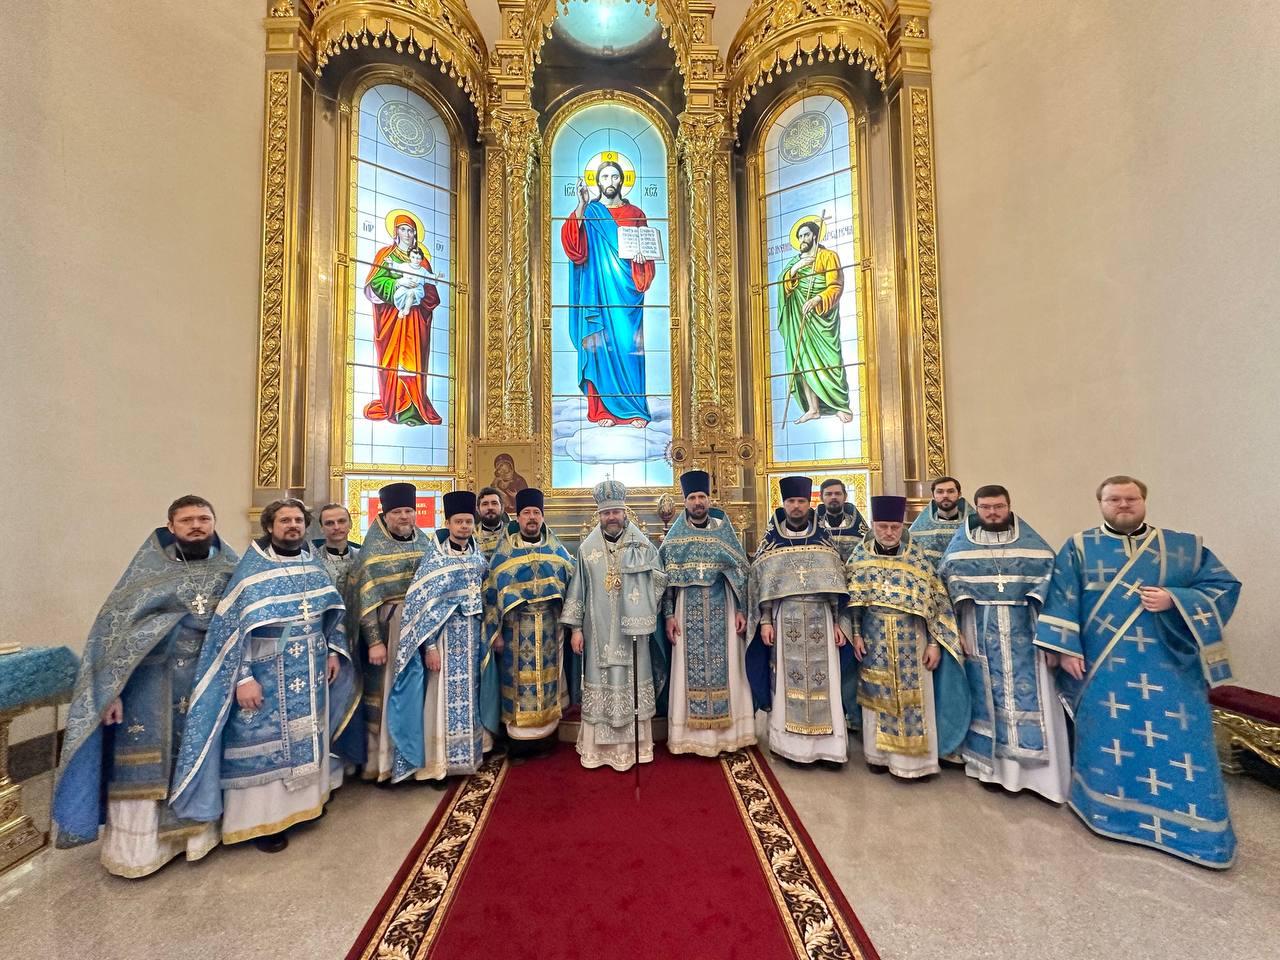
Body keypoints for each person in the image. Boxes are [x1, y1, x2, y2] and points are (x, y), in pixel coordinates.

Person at [1035, 476, 1241, 867]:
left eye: (1131, 498)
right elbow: (1062, 598)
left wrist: (1175, 599)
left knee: (1184, 740)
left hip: (1171, 665)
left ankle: (1196, 831)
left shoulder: (1182, 547)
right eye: (1114, 499)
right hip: (1103, 665)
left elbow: (1222, 585)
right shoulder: (1079, 547)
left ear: (1144, 501)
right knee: (1109, 736)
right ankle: (1107, 812)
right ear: (1101, 504)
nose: (1123, 505)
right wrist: (1066, 650)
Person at [52, 496, 239, 877]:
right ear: (170, 527)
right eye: (187, 520)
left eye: (204, 518)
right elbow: (112, 635)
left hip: (208, 681)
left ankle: (198, 839)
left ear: (214, 522)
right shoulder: (146, 573)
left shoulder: (231, 568)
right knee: (145, 765)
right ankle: (140, 853)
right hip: (150, 687)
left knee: (202, 755)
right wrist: (111, 692)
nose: (196, 525)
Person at [171, 499, 354, 853]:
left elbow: (331, 612)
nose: (293, 526)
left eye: (298, 520)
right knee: (264, 742)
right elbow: (232, 632)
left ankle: (306, 806)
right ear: (269, 526)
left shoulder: (312, 564)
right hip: (265, 671)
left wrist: (333, 651)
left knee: (308, 734)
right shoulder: (251, 571)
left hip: (311, 666)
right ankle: (263, 821)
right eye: (285, 520)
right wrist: (243, 678)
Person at [937, 485, 1070, 802]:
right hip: (979, 631)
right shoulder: (960, 548)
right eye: (985, 507)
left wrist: (1052, 640)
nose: (992, 513)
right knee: (987, 700)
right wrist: (957, 632)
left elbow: (1054, 594)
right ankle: (991, 771)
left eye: (998, 507)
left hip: (1026, 635)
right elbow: (945, 592)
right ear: (977, 509)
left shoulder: (1034, 548)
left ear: (1009, 506)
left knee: (1035, 699)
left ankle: (1039, 778)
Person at [846, 495, 967, 779]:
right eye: (883, 526)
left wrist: (934, 644)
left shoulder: (918, 560)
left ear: (902, 526)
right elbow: (853, 603)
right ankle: (877, 757)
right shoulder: (860, 558)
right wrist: (856, 634)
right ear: (873, 525)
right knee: (876, 697)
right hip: (874, 636)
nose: (889, 532)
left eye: (895, 527)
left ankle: (914, 764)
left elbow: (935, 605)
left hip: (913, 639)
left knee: (916, 698)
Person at [386, 491, 498, 783]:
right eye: (458, 521)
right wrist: (430, 647)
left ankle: (470, 756)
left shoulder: (478, 557)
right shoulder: (435, 560)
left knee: (471, 696)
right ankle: (440, 765)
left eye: (468, 521)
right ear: (447, 523)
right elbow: (421, 608)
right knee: (441, 699)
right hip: (445, 641)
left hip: (472, 639)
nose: (464, 526)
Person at [746, 476, 850, 767]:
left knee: (826, 683)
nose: (796, 506)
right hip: (785, 619)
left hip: (821, 618)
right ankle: (790, 747)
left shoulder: (823, 540)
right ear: (783, 504)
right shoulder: (771, 542)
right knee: (785, 680)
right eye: (791, 501)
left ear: (809, 503)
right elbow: (761, 585)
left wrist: (838, 622)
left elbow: (836, 584)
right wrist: (765, 621)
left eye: (801, 501)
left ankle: (829, 750)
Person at [563, 480, 668, 770]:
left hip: (633, 635)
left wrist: (641, 606)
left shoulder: (642, 546)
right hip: (597, 633)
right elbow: (578, 590)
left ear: (625, 512)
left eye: (616, 512)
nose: (611, 517)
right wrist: (575, 630)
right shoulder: (587, 550)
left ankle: (636, 748)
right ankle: (597, 751)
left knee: (632, 682)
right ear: (599, 515)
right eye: (606, 513)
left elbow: (660, 581)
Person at [660, 470, 756, 756]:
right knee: (686, 673)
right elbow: (665, 582)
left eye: (702, 496)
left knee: (729, 670)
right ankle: (689, 739)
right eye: (692, 497)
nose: (698, 502)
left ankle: (728, 737)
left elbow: (741, 573)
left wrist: (742, 609)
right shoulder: (674, 539)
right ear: (685, 501)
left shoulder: (724, 533)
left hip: (723, 609)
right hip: (685, 610)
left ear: (709, 499)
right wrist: (669, 615)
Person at [347, 482, 432, 781]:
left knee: (419, 694)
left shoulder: (425, 544)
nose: (404, 516)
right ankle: (385, 764)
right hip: (389, 630)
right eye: (397, 512)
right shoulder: (371, 553)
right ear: (385, 515)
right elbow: (365, 602)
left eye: (409, 510)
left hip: (421, 628)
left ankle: (418, 760)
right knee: (389, 693)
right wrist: (374, 642)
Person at [561, 159, 656, 427]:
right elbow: (574, 248)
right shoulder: (590, 211)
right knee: (598, 347)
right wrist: (581, 205)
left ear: (622, 180)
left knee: (629, 347)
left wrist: (641, 261)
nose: (610, 182)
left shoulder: (636, 213)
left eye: (615, 177)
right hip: (597, 293)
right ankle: (602, 410)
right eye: (605, 177)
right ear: (597, 182)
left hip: (627, 294)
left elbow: (648, 253)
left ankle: (635, 409)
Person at [483, 488, 574, 757]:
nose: (532, 517)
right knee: (517, 684)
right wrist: (496, 633)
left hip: (549, 626)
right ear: (518, 517)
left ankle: (546, 740)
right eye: (526, 513)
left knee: (548, 681)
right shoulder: (504, 553)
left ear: (542, 517)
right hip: (515, 627)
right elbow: (490, 593)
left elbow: (572, 583)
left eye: (536, 513)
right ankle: (518, 744)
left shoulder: (556, 550)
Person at [363, 214, 442, 425]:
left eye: (411, 230)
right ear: (396, 231)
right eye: (403, 229)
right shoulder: (385, 255)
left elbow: (433, 295)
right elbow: (375, 283)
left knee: (413, 365)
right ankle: (394, 406)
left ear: (415, 234)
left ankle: (414, 408)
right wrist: (397, 284)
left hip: (415, 323)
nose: (407, 234)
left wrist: (420, 293)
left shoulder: (423, 262)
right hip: (392, 323)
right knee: (392, 363)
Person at [778, 219, 853, 424]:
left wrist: (818, 298)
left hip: (821, 318)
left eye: (806, 235)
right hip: (799, 318)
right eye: (800, 236)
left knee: (830, 360)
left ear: (814, 236)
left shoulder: (828, 256)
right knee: (803, 361)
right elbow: (782, 287)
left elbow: (835, 285)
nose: (802, 239)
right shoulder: (794, 262)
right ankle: (813, 409)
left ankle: (839, 404)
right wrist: (796, 269)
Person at [910, 476, 973, 569]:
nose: (945, 495)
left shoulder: (972, 525)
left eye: (950, 491)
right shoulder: (919, 529)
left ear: (959, 494)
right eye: (940, 492)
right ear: (933, 495)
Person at [313, 502, 361, 598]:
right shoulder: (312, 560)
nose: (336, 527)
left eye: (341, 521)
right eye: (329, 523)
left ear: (350, 524)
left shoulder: (363, 557)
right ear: (322, 528)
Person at [815, 478, 869, 563]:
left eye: (838, 493)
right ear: (821, 497)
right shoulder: (813, 526)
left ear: (845, 496)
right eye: (828, 494)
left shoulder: (856, 525)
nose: (833, 497)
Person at [388, 245, 436, 319]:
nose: (415, 260)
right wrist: (391, 263)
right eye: (413, 257)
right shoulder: (405, 266)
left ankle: (406, 310)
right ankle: (401, 309)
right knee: (398, 295)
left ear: (421, 259)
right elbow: (396, 268)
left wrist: (437, 277)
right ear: (409, 257)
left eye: (418, 258)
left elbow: (429, 277)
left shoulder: (422, 270)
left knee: (411, 293)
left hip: (417, 289)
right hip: (404, 287)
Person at [474, 486, 510, 560]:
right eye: (485, 504)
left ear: (502, 507)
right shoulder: (471, 537)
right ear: (478, 509)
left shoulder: (512, 534)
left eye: (494, 503)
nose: (490, 507)